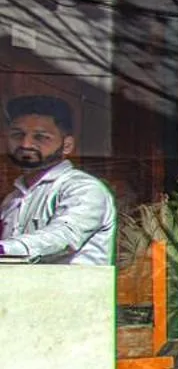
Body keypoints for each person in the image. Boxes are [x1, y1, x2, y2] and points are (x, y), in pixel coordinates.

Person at [0, 94, 115, 265]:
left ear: (67, 145)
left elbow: (64, 236)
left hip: (74, 291)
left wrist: (4, 249)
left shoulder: (83, 188)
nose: (25, 144)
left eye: (40, 137)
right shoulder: (13, 198)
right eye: (17, 135)